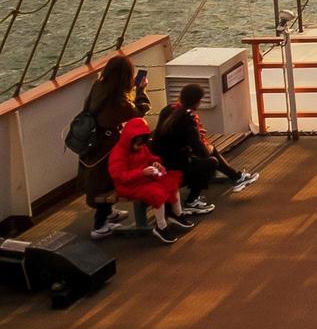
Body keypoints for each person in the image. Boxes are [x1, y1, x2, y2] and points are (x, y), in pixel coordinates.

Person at [152, 83, 259, 213]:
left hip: (163, 159)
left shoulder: (168, 110)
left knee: (209, 150)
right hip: (174, 165)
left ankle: (237, 177)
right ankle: (192, 200)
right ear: (196, 102)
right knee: (211, 161)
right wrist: (205, 148)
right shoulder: (187, 119)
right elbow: (199, 150)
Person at [78, 54, 152, 239]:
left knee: (104, 180)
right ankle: (99, 225)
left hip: (93, 143)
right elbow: (137, 113)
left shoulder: (99, 87)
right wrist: (141, 91)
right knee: (105, 183)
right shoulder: (117, 99)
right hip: (105, 147)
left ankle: (109, 213)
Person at [108, 117, 190, 244]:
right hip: (128, 186)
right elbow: (119, 175)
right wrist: (142, 172)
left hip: (144, 179)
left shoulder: (141, 147)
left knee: (171, 181)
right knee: (157, 193)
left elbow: (150, 157)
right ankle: (161, 226)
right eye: (138, 142)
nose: (140, 145)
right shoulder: (118, 153)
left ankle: (177, 213)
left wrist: (156, 162)